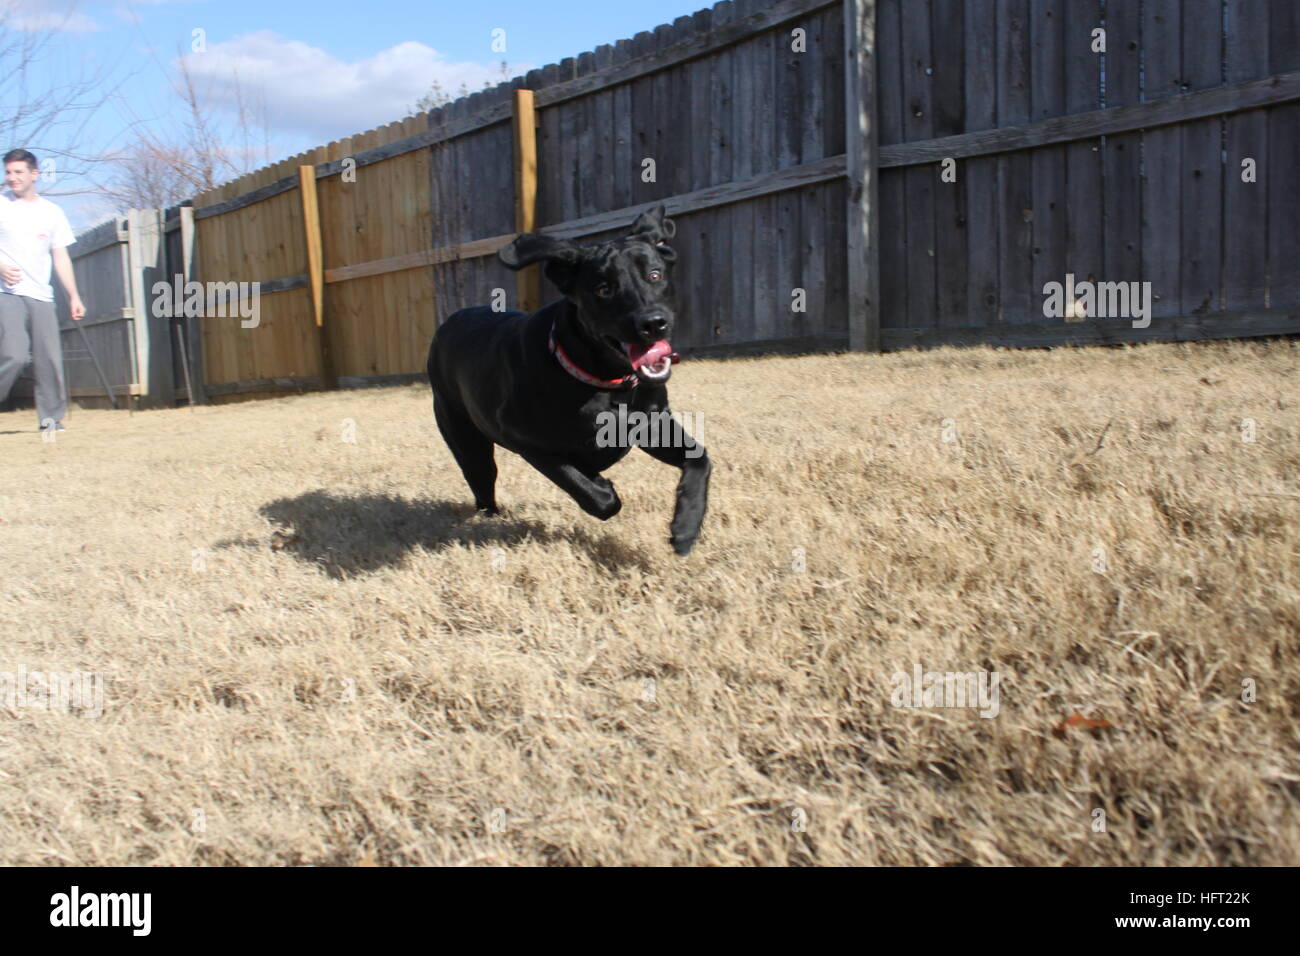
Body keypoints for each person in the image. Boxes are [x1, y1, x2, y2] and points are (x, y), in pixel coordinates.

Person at [0, 148, 85, 433]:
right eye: (8, 172)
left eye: (18, 172)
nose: (11, 178)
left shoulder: (52, 213)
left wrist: (73, 295)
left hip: (42, 296)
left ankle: (50, 418)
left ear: (34, 174)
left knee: (49, 358)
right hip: (7, 293)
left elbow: (60, 256)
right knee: (15, 354)